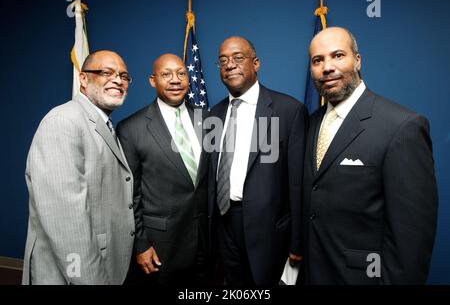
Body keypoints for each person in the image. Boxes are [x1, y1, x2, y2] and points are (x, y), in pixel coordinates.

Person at [301, 27, 438, 284]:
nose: (327, 67)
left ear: (358, 60)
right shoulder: (309, 125)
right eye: (317, 60)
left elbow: (411, 244)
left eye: (338, 55)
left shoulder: (402, 127)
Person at [22, 50, 135, 284]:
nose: (117, 80)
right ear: (83, 79)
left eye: (124, 76)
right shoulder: (63, 122)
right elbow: (67, 224)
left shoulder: (102, 124)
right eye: (106, 72)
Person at [208, 36, 308, 285]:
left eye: (238, 58)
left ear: (256, 63)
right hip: (223, 224)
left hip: (269, 231)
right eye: (223, 61)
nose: (229, 64)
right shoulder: (213, 114)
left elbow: (298, 182)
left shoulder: (288, 110)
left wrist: (297, 241)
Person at [117, 54, 209, 286]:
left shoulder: (207, 120)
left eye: (181, 73)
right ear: (152, 80)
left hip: (206, 242)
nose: (175, 80)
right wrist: (140, 244)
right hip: (160, 246)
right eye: (166, 74)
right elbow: (129, 194)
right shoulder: (131, 128)